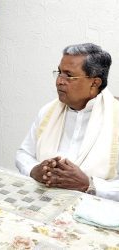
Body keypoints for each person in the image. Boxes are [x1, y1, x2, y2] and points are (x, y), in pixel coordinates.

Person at [16, 43, 119, 201]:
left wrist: (89, 185)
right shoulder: (48, 111)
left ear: (94, 83)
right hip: (43, 201)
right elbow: (24, 153)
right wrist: (33, 170)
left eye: (69, 75)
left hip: (94, 209)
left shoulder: (115, 118)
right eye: (59, 73)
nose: (59, 81)